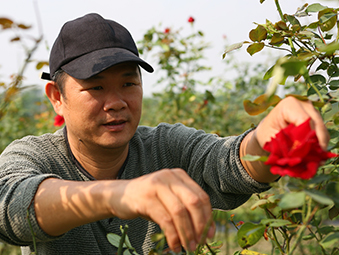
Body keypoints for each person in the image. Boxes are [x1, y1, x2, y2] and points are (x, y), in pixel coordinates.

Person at [0, 13, 330, 255]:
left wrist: (267, 138)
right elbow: (10, 204)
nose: (115, 103)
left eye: (129, 84)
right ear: (57, 97)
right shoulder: (35, 156)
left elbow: (227, 163)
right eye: (96, 87)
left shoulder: (165, 147)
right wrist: (121, 195)